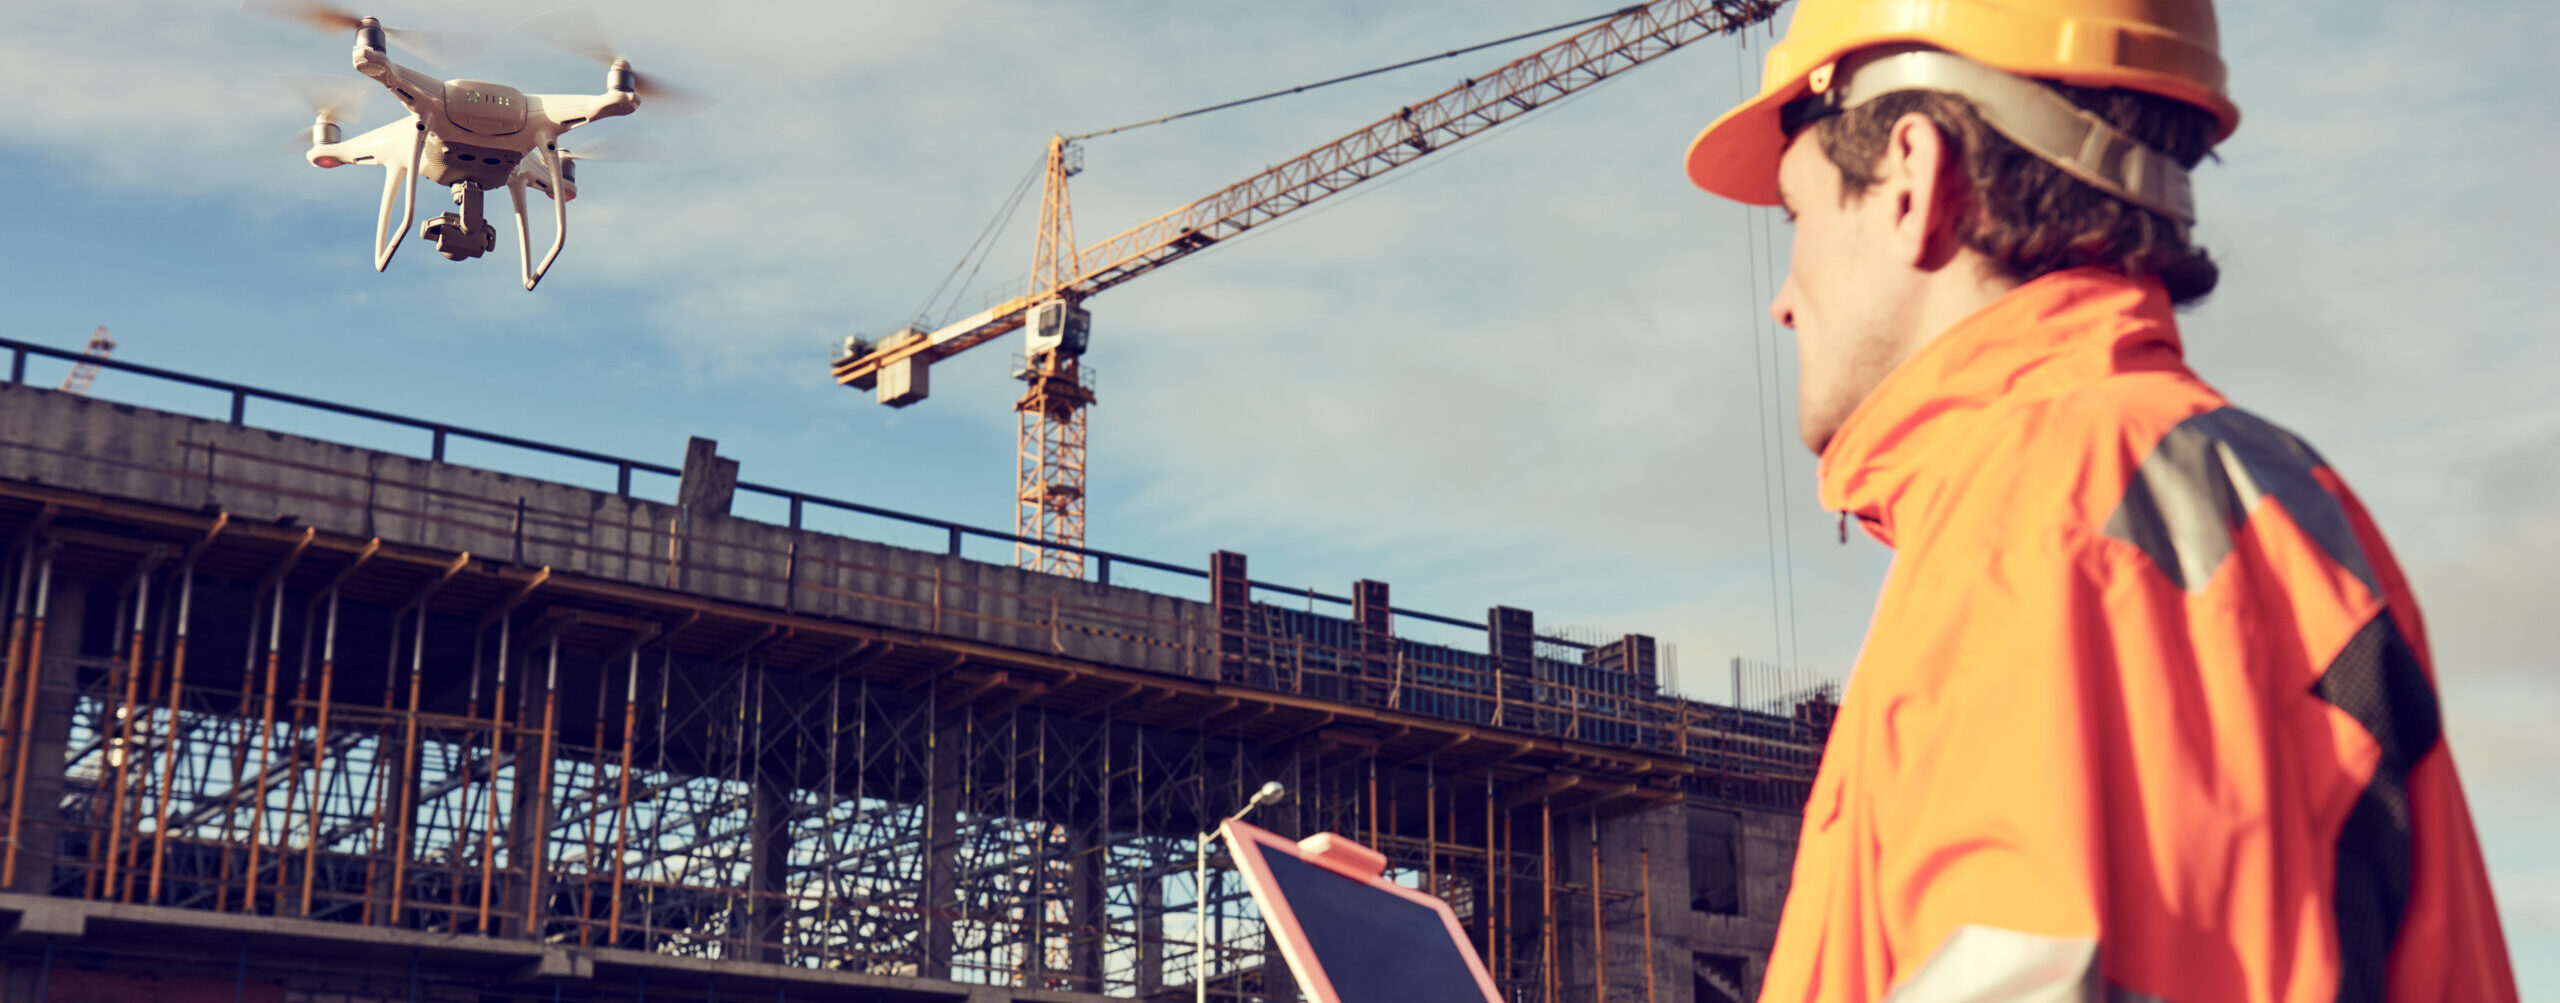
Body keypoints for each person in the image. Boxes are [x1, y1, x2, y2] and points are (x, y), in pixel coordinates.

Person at [1678, 0, 2519, 999]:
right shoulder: (2266, 502)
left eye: (1797, 217)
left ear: (1911, 178)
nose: (1782, 295)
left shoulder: (2044, 521)